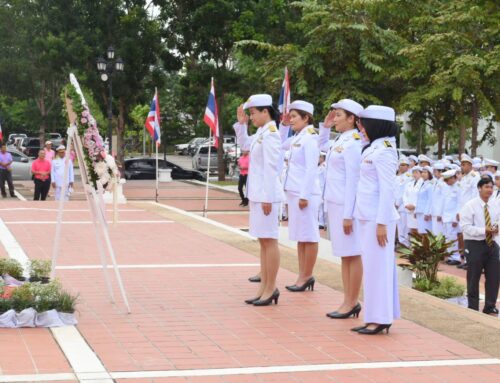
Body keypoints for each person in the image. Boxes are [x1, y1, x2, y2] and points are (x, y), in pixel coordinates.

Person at [351, 105, 400, 335]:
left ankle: (379, 318)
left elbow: (387, 190)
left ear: (376, 125)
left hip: (378, 220)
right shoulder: (373, 147)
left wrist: (382, 223)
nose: (361, 128)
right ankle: (375, 315)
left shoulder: (386, 151)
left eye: (364, 124)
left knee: (377, 269)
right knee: (372, 268)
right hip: (367, 216)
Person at [233, 94, 283, 306]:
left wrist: (268, 197)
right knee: (262, 241)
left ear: (266, 112)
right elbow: (244, 143)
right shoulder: (262, 133)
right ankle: (264, 286)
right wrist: (242, 125)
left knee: (269, 240)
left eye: (253, 113)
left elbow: (273, 168)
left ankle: (271, 288)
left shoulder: (272, 134)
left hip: (267, 196)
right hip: (258, 194)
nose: (251, 116)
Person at [318, 99, 364, 318]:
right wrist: (325, 128)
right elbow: (321, 146)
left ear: (351, 119)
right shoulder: (341, 140)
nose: (334, 119)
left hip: (346, 208)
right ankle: (347, 300)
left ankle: (352, 301)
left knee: (352, 254)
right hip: (335, 205)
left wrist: (348, 215)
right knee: (345, 255)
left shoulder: (354, 143)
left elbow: (353, 182)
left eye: (338, 115)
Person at [279, 100, 320, 292]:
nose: (291, 119)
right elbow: (280, 143)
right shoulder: (297, 137)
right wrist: (284, 125)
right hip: (295, 192)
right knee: (300, 236)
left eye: (294, 116)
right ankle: (302, 274)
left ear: (306, 118)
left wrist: (304, 195)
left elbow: (312, 168)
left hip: (306, 194)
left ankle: (307, 275)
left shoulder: (310, 138)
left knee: (309, 236)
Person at [460, 177, 499, 315]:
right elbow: (465, 227)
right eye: (486, 187)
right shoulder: (470, 206)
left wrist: (496, 228)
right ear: (479, 188)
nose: (489, 190)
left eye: (491, 187)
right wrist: (484, 230)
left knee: (494, 276)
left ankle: (490, 306)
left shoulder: (494, 205)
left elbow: (496, 221)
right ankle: (473, 307)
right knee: (473, 276)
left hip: (491, 244)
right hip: (474, 244)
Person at [441, 169, 461, 265]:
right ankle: (450, 256)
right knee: (448, 237)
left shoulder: (458, 187)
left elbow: (459, 204)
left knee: (452, 237)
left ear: (453, 178)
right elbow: (444, 203)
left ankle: (456, 257)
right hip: (446, 216)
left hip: (452, 217)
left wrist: (455, 218)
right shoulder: (447, 187)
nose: (446, 182)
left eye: (447, 180)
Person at [395, 157, 412, 246]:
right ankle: (401, 242)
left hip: (402, 205)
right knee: (399, 226)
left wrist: (397, 203)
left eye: (404, 165)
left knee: (405, 226)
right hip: (395, 205)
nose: (401, 167)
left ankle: (405, 243)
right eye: (400, 165)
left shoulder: (408, 177)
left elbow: (403, 193)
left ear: (408, 167)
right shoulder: (397, 177)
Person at [403, 166, 423, 235]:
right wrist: (406, 204)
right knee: (412, 229)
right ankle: (413, 245)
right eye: (413, 173)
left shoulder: (423, 184)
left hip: (417, 210)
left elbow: (422, 197)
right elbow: (405, 195)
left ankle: (419, 245)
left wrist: (414, 206)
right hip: (409, 210)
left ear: (421, 173)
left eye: (416, 173)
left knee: (419, 230)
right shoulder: (409, 184)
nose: (414, 174)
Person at [415, 166, 433, 234]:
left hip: (425, 212)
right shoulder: (423, 184)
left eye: (425, 172)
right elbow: (419, 199)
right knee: (421, 231)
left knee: (426, 232)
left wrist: (427, 213)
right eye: (422, 172)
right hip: (420, 211)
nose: (423, 174)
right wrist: (416, 211)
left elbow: (430, 200)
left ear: (430, 174)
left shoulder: (430, 185)